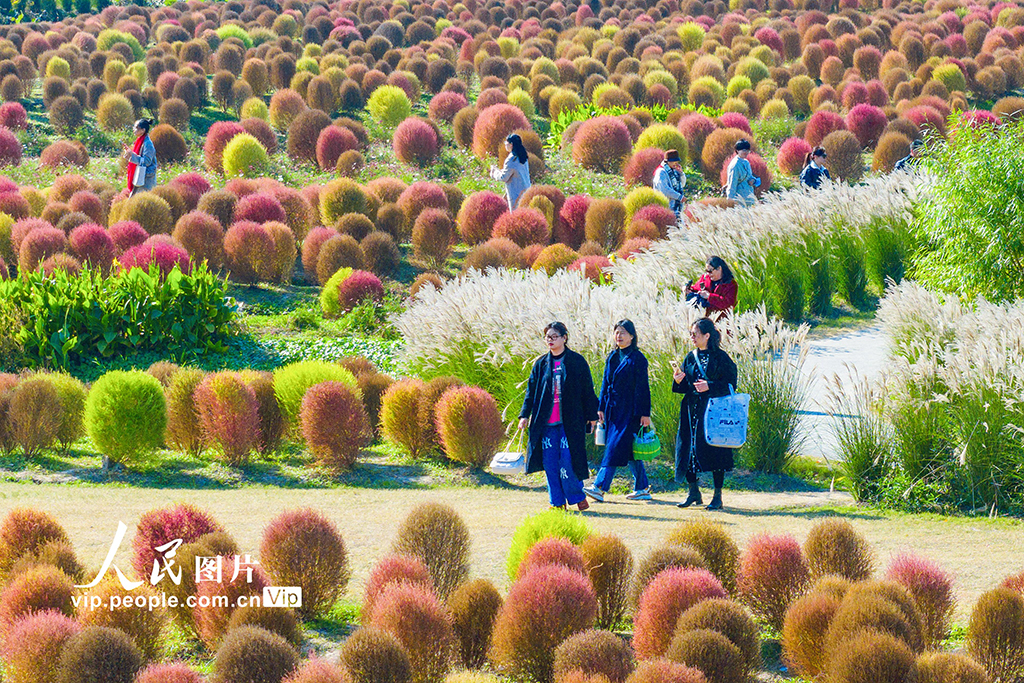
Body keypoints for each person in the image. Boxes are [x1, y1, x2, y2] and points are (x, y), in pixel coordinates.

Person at [519, 322, 599, 511]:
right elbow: (530, 392)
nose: (550, 340)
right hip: (546, 423)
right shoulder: (541, 364)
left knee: (567, 461)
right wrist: (524, 415)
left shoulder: (576, 361)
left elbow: (588, 390)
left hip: (570, 423)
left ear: (564, 338)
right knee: (550, 464)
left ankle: (577, 496)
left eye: (554, 336)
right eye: (547, 337)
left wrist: (592, 416)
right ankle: (557, 503)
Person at [672, 318, 738, 511]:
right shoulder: (690, 357)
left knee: (716, 449)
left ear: (707, 335)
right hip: (691, 410)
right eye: (691, 334)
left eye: (695, 334)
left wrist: (709, 386)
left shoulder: (721, 358)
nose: (692, 337)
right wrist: (678, 380)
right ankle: (693, 492)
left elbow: (731, 385)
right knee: (688, 448)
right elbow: (685, 387)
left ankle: (717, 496)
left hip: (713, 411)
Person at [584, 320, 653, 503]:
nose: (619, 336)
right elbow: (605, 384)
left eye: (623, 332)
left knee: (614, 447)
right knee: (629, 450)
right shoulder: (612, 356)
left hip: (631, 412)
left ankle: (599, 487)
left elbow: (643, 388)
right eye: (616, 332)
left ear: (632, 336)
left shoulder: (638, 358)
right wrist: (600, 408)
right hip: (612, 410)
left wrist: (645, 413)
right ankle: (642, 488)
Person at [490, 133, 531, 210]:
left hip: (516, 195)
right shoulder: (523, 156)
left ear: (511, 144)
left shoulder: (511, 159)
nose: (505, 145)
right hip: (526, 191)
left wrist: (494, 172)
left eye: (506, 143)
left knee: (516, 217)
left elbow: (504, 177)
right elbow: (512, 172)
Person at [122, 118, 157, 196]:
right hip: (140, 175)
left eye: (136, 127)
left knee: (143, 200)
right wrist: (130, 153)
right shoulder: (140, 141)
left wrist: (132, 155)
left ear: (143, 130)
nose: (133, 129)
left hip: (146, 178)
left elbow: (147, 161)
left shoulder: (148, 144)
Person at [653, 149, 686, 219]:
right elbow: (664, 190)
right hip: (665, 207)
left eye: (677, 161)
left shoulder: (674, 171)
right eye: (674, 161)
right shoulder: (661, 172)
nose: (676, 163)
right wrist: (679, 197)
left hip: (675, 208)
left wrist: (681, 173)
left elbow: (682, 184)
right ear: (667, 161)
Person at [724, 139, 758, 206]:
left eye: (747, 150)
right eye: (743, 150)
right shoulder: (735, 165)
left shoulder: (746, 162)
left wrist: (753, 180)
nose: (746, 152)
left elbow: (749, 176)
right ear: (737, 151)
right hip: (739, 199)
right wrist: (730, 201)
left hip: (749, 197)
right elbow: (732, 184)